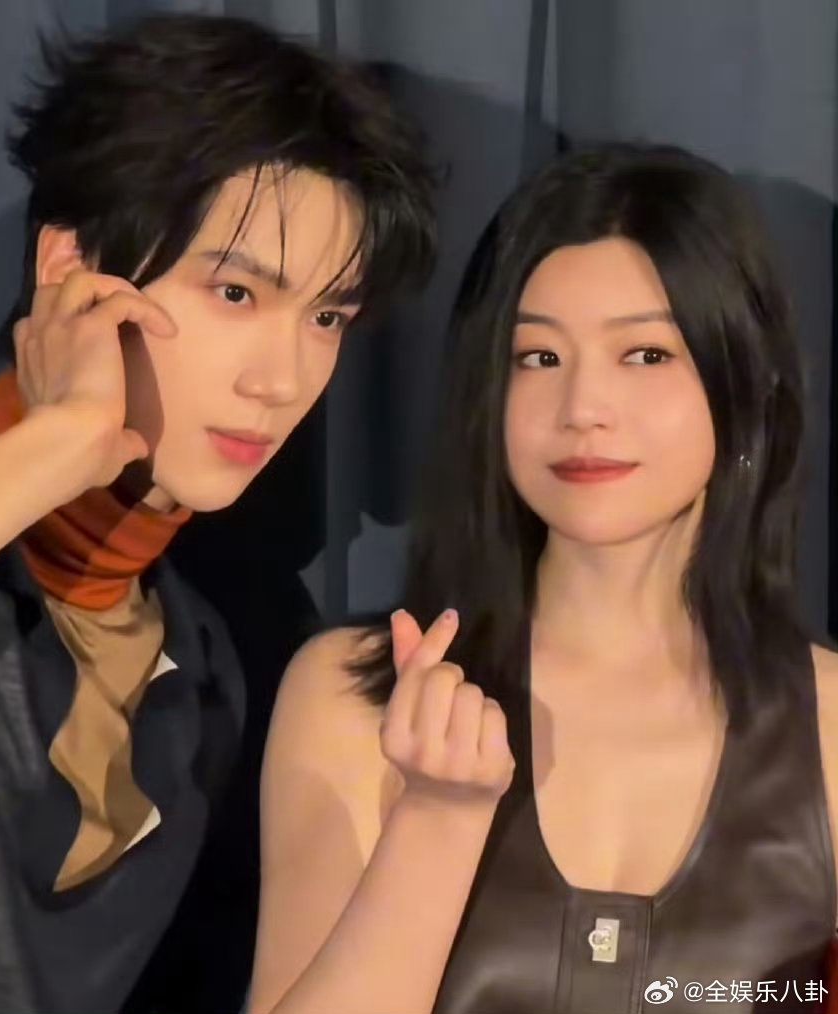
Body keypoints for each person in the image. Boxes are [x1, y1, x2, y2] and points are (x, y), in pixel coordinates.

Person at [0, 13, 435, 1013]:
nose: (282, 379)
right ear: (70, 269)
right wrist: (63, 439)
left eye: (326, 317)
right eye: (235, 293)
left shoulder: (210, 667)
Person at [249, 143, 838, 1014]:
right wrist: (436, 817)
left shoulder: (828, 723)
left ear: (744, 390)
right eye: (539, 358)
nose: (583, 409)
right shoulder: (352, 695)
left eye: (646, 355)